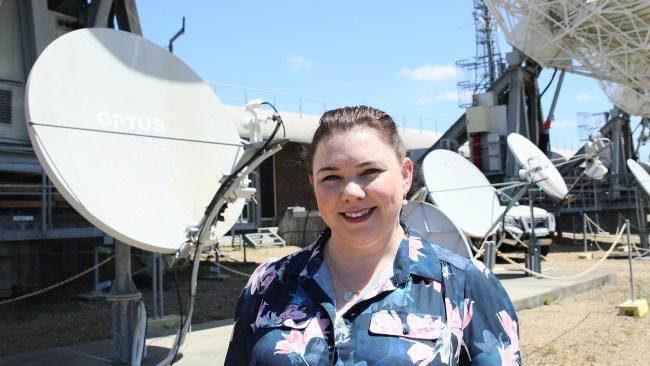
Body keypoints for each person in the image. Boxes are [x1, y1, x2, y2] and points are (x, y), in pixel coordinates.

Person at [225, 106, 521, 365]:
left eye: (369, 172)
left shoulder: (465, 286)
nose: (351, 192)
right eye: (331, 177)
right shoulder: (268, 284)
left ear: (405, 175)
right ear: (313, 185)